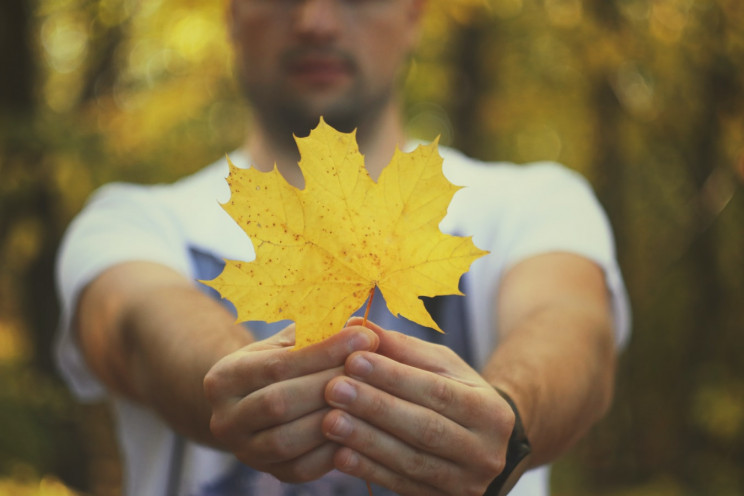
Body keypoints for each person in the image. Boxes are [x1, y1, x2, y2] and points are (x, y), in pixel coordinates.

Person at [54, 0, 630, 495]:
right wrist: (238, 384)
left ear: (413, 13)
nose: (316, 22)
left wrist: (511, 411)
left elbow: (573, 326)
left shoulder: (534, 202)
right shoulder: (130, 219)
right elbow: (136, 323)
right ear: (231, 13)